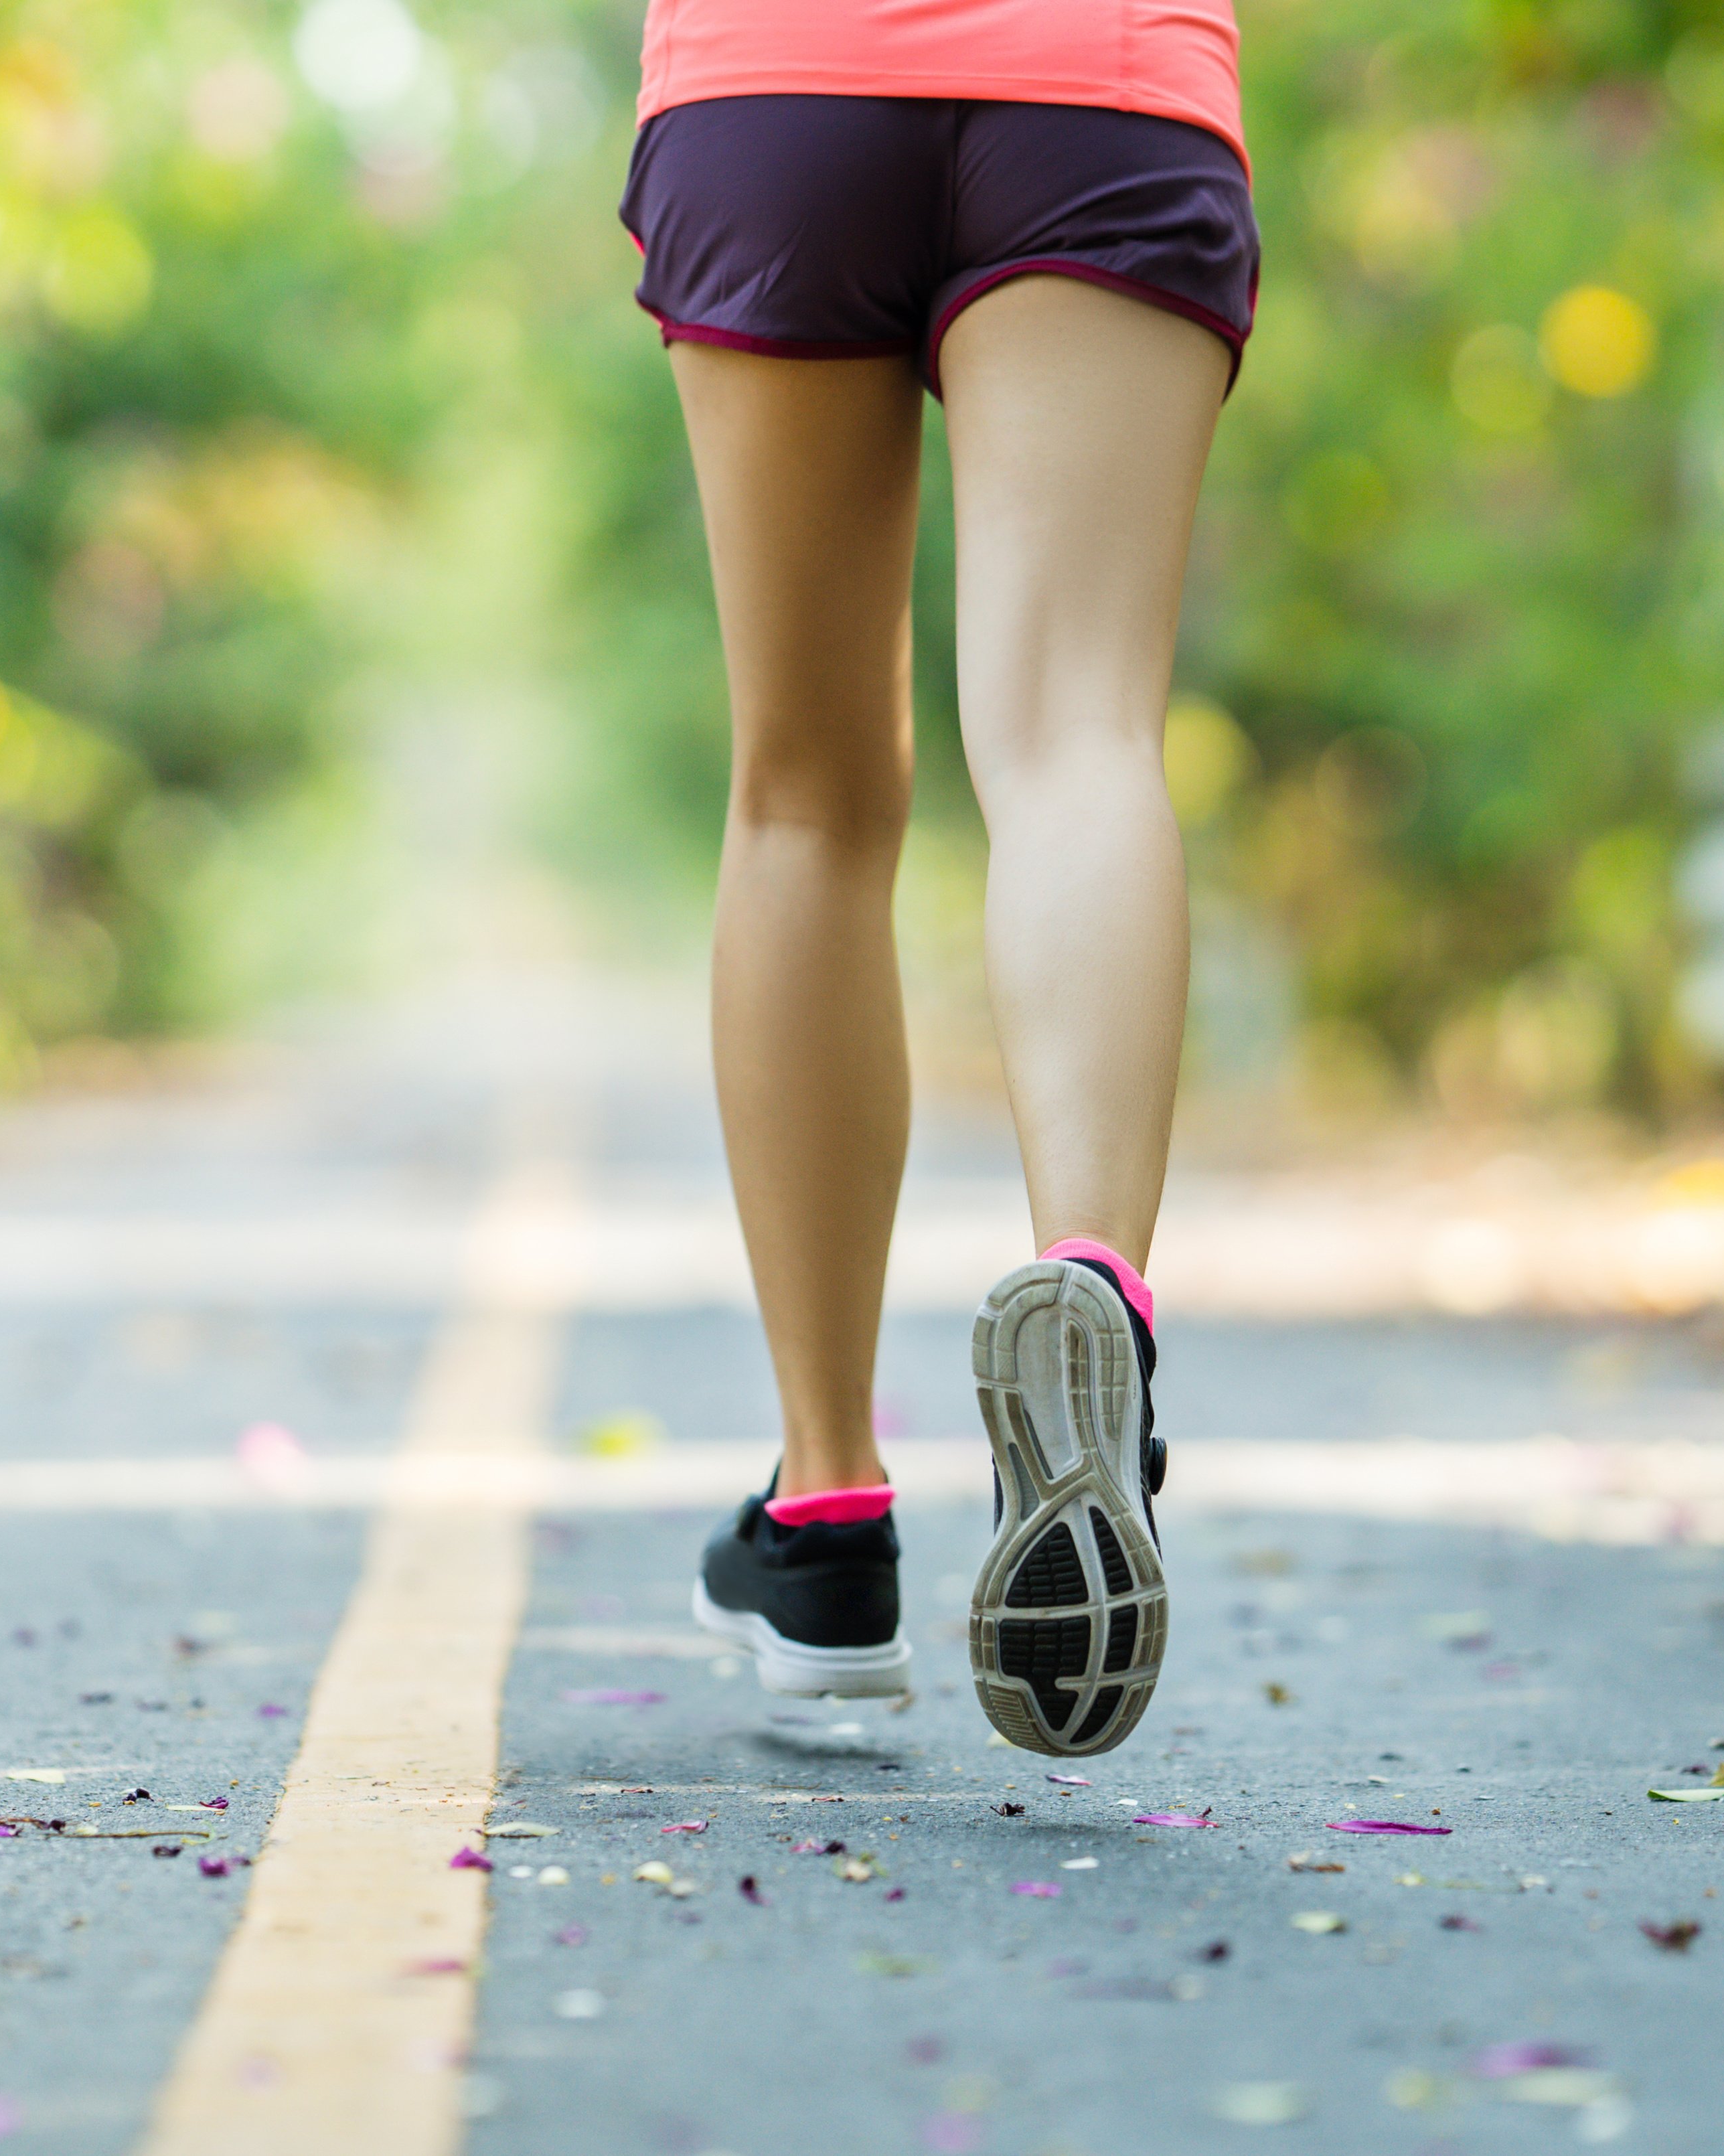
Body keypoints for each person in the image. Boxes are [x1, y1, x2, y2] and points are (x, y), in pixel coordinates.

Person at [653, 0, 1254, 1754]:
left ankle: (829, 1516)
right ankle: (1098, 1301)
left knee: (807, 799)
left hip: (779, 84)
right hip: (1105, 85)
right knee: (1078, 739)